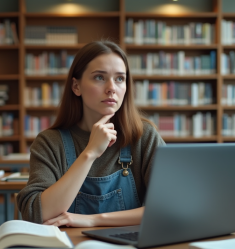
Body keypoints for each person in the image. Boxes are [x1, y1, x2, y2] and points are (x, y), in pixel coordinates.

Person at [17, 40, 165, 227]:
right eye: (99, 77)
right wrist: (90, 153)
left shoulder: (144, 136)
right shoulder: (49, 142)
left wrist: (94, 220)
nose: (112, 87)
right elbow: (35, 213)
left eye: (120, 78)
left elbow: (168, 207)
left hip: (127, 248)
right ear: (76, 87)